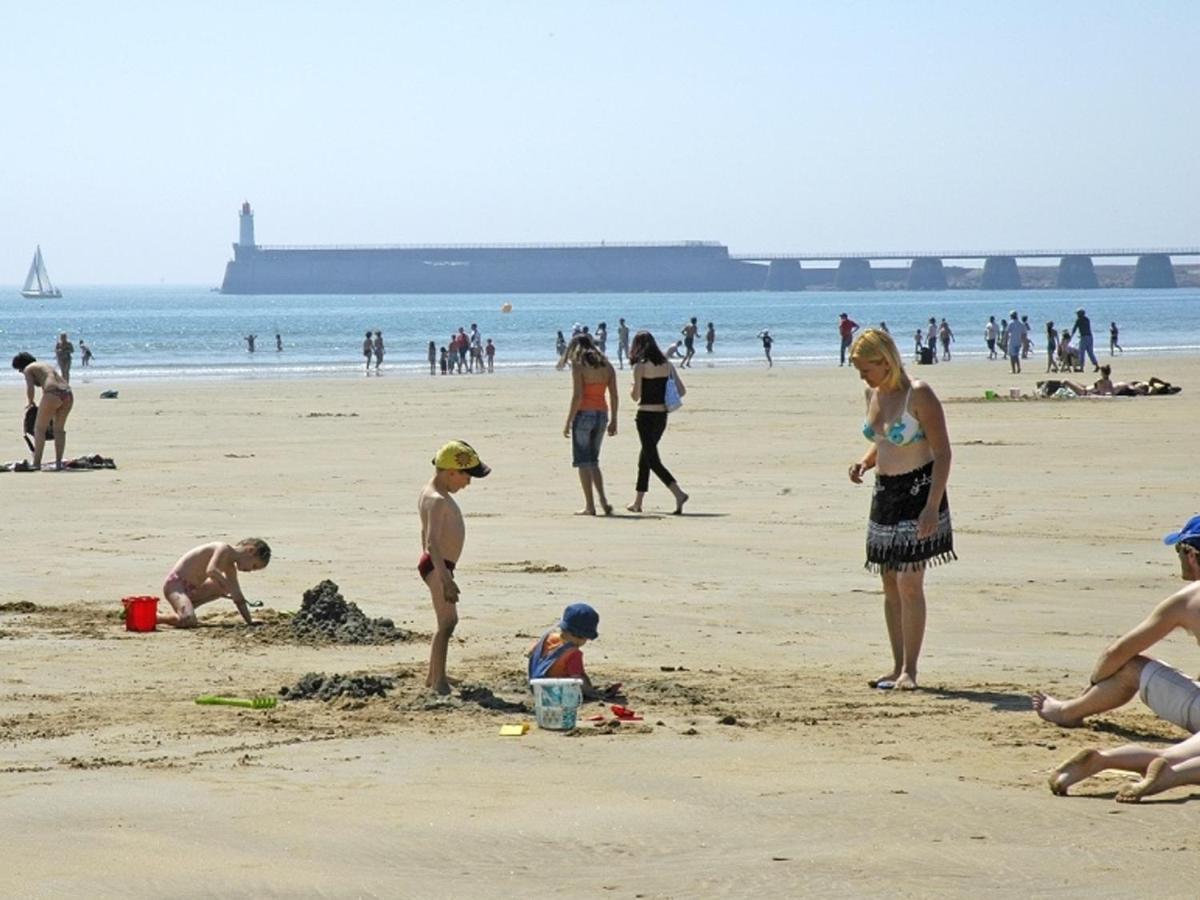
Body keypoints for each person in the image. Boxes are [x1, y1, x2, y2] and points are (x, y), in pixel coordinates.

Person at [1033, 517, 1200, 765]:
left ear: (1192, 556)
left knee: (1130, 667)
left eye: (1179, 550)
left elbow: (1117, 652)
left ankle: (1068, 712)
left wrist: (1092, 687)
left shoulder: (1188, 600)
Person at [848, 329, 954, 691]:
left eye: (866, 369)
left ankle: (911, 669)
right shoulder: (872, 394)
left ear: (885, 361)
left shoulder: (919, 394)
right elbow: (883, 443)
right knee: (890, 582)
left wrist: (931, 506)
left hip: (920, 491)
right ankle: (896, 667)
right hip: (885, 494)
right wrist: (864, 463)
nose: (863, 377)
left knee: (910, 582)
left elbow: (942, 453)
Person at [419, 440, 491, 695]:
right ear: (451, 472)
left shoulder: (431, 492)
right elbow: (431, 542)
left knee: (446, 621)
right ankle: (438, 681)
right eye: (466, 477)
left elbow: (423, 535)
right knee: (448, 623)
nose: (468, 483)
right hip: (439, 566)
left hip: (439, 565)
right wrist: (445, 578)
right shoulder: (437, 499)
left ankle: (434, 674)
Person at [627, 331, 688, 515]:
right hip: (662, 416)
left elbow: (636, 396)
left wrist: (632, 388)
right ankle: (637, 502)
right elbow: (682, 391)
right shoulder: (667, 365)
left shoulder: (640, 367)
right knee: (644, 458)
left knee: (652, 460)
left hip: (645, 415)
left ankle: (678, 492)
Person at [561, 334, 618, 516]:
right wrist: (614, 419)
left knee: (583, 462)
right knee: (593, 460)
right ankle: (602, 498)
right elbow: (614, 395)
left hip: (584, 414)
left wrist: (568, 421)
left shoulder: (579, 365)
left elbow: (577, 396)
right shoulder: (606, 365)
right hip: (602, 414)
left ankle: (590, 505)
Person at [158, 539, 271, 628]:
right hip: (176, 585)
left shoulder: (230, 567)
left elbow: (237, 595)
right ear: (250, 551)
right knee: (188, 620)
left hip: (192, 590)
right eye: (254, 566)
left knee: (222, 587)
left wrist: (249, 621)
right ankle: (156, 617)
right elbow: (211, 570)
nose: (250, 570)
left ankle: (186, 608)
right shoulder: (223, 548)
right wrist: (230, 587)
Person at [526, 603, 607, 700]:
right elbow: (577, 678)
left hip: (535, 685)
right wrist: (590, 692)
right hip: (555, 692)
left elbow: (529, 653)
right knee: (580, 682)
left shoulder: (548, 637)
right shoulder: (574, 654)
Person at [12, 352, 74, 471]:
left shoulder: (28, 368)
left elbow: (30, 387)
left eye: (19, 370)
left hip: (52, 394)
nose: (21, 372)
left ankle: (36, 463)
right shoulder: (44, 366)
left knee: (39, 429)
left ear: (22, 366)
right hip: (68, 394)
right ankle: (58, 463)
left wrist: (30, 401)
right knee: (59, 430)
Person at [1072, 307, 1100, 371]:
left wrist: (1071, 336)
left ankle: (1081, 368)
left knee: (1081, 352)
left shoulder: (1078, 320)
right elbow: (1085, 328)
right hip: (1090, 337)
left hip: (1084, 337)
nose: (1077, 315)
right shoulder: (1087, 319)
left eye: (1077, 314)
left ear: (1080, 314)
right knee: (1090, 352)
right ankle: (1096, 365)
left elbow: (1074, 328)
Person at [1006, 310, 1026, 375]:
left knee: (1012, 356)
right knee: (1016, 356)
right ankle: (1018, 367)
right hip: (1018, 342)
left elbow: (1007, 332)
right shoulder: (1021, 324)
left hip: (1012, 342)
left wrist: (1004, 340)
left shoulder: (1011, 323)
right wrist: (1024, 342)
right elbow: (1024, 334)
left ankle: (1013, 369)